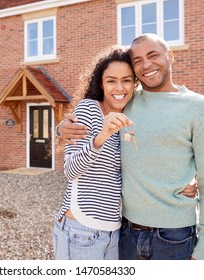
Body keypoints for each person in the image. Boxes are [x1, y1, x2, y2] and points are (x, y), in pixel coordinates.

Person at [57, 33, 204, 260]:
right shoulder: (126, 101)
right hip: (125, 233)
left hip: (174, 237)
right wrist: (59, 129)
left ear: (170, 56)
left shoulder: (200, 108)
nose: (146, 64)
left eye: (153, 55)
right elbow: (91, 116)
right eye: (137, 60)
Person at [53, 46, 136, 260]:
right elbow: (70, 170)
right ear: (101, 83)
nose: (119, 87)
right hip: (81, 228)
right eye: (111, 80)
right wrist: (101, 137)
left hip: (114, 230)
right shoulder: (89, 109)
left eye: (126, 80)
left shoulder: (130, 114)